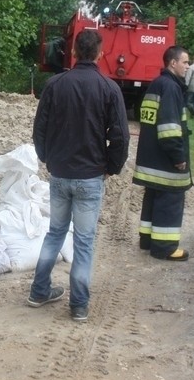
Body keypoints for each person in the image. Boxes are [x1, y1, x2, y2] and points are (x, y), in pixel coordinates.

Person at [28, 29, 130, 322]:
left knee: (55, 233)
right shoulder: (109, 88)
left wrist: (46, 156)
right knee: (84, 241)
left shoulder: (55, 84)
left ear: (73, 52)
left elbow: (40, 128)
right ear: (100, 53)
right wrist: (111, 167)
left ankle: (38, 291)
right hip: (90, 177)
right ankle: (79, 305)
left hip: (60, 173)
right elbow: (121, 136)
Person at [133, 45, 193, 261]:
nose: (188, 66)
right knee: (170, 198)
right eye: (185, 62)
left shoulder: (157, 84)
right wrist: (178, 157)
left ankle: (148, 240)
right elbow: (169, 128)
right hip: (165, 160)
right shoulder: (171, 88)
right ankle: (165, 247)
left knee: (154, 195)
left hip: (152, 157)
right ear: (173, 63)